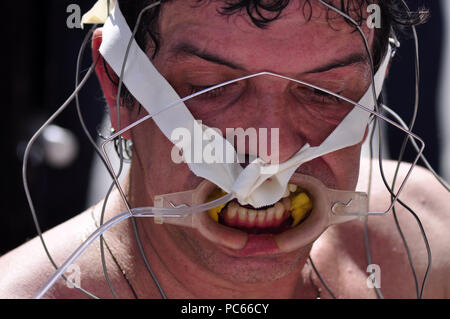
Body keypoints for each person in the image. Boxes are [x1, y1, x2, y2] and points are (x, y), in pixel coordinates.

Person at [1, 0, 449, 299]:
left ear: (372, 97)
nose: (269, 158)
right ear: (117, 86)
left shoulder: (426, 244)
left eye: (323, 92)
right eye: (212, 88)